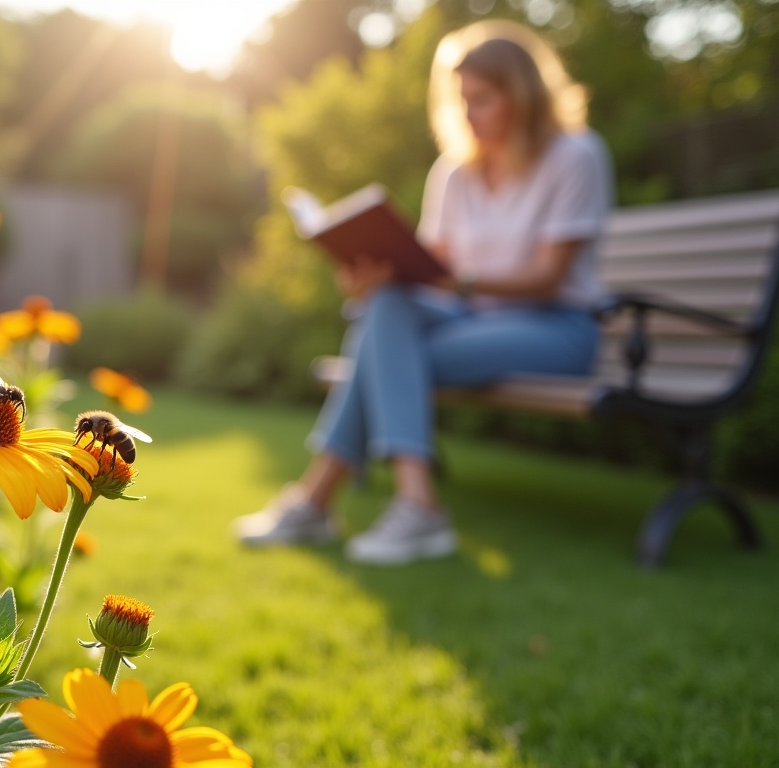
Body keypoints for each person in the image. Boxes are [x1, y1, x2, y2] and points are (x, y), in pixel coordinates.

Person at [233, 20, 615, 564]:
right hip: (470, 320)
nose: (467, 114)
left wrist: (451, 281)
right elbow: (428, 269)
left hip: (558, 328)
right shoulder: (455, 174)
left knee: (385, 349)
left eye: (481, 100)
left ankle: (325, 503)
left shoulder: (576, 156)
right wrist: (372, 274)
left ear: (523, 97)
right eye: (461, 101)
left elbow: (547, 276)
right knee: (385, 306)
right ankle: (410, 506)